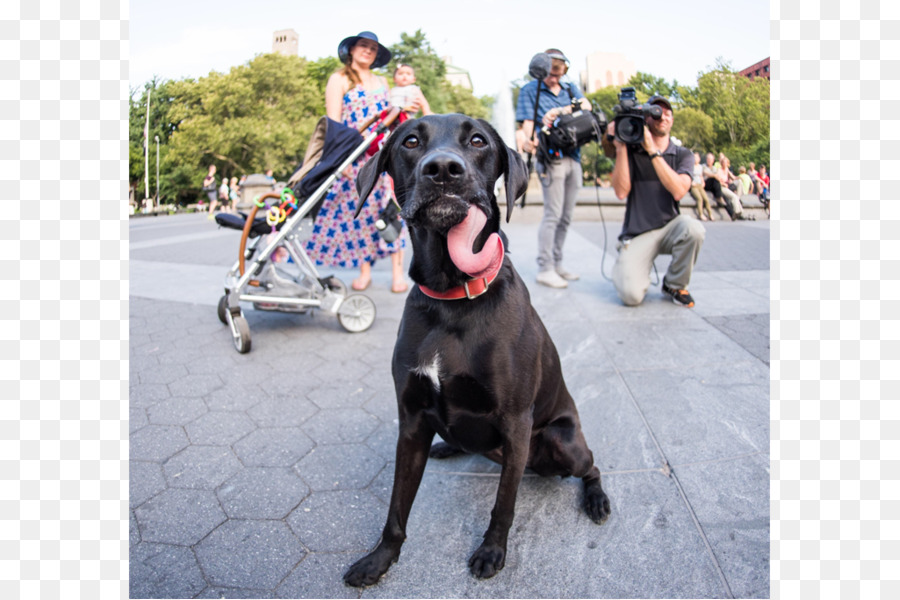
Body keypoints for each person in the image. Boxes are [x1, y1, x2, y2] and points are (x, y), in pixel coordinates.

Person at [305, 31, 408, 293]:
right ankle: (365, 270)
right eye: (363, 45)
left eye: (373, 48)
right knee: (361, 214)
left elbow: (394, 118)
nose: (368, 51)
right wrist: (343, 163)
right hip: (355, 158)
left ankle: (398, 273)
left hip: (384, 157)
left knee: (391, 212)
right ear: (351, 49)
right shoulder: (338, 80)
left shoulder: (384, 83)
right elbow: (334, 126)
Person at [606, 95, 705, 308]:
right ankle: (632, 265)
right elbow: (621, 193)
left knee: (694, 228)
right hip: (638, 232)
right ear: (645, 119)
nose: (663, 117)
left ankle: (674, 284)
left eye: (668, 113)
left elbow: (679, 191)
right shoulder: (631, 152)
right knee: (630, 297)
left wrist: (652, 151)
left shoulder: (682, 154)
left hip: (670, 226)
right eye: (656, 113)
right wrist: (622, 147)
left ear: (672, 120)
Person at [515, 48, 592, 288]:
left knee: (566, 216)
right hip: (551, 157)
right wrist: (526, 142)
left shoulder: (570, 89)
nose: (554, 76)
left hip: (574, 156)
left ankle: (557, 263)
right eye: (551, 71)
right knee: (553, 214)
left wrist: (559, 110)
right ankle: (545, 267)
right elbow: (527, 123)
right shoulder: (531, 89)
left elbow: (586, 107)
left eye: (559, 71)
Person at [702, 152, 745, 220]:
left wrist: (740, 178)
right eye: (708, 159)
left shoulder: (714, 168)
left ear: (713, 160)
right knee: (715, 180)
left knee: (725, 198)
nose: (709, 161)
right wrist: (715, 176)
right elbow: (705, 173)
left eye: (711, 159)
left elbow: (731, 177)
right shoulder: (704, 166)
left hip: (715, 186)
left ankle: (732, 214)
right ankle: (720, 198)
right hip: (706, 184)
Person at [688, 151, 714, 221]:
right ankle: (701, 214)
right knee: (699, 199)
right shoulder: (690, 166)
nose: (696, 159)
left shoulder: (700, 167)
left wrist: (703, 182)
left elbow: (701, 175)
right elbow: (688, 176)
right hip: (694, 185)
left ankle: (710, 214)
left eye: (697, 157)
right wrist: (691, 182)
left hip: (699, 185)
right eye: (694, 157)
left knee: (706, 199)